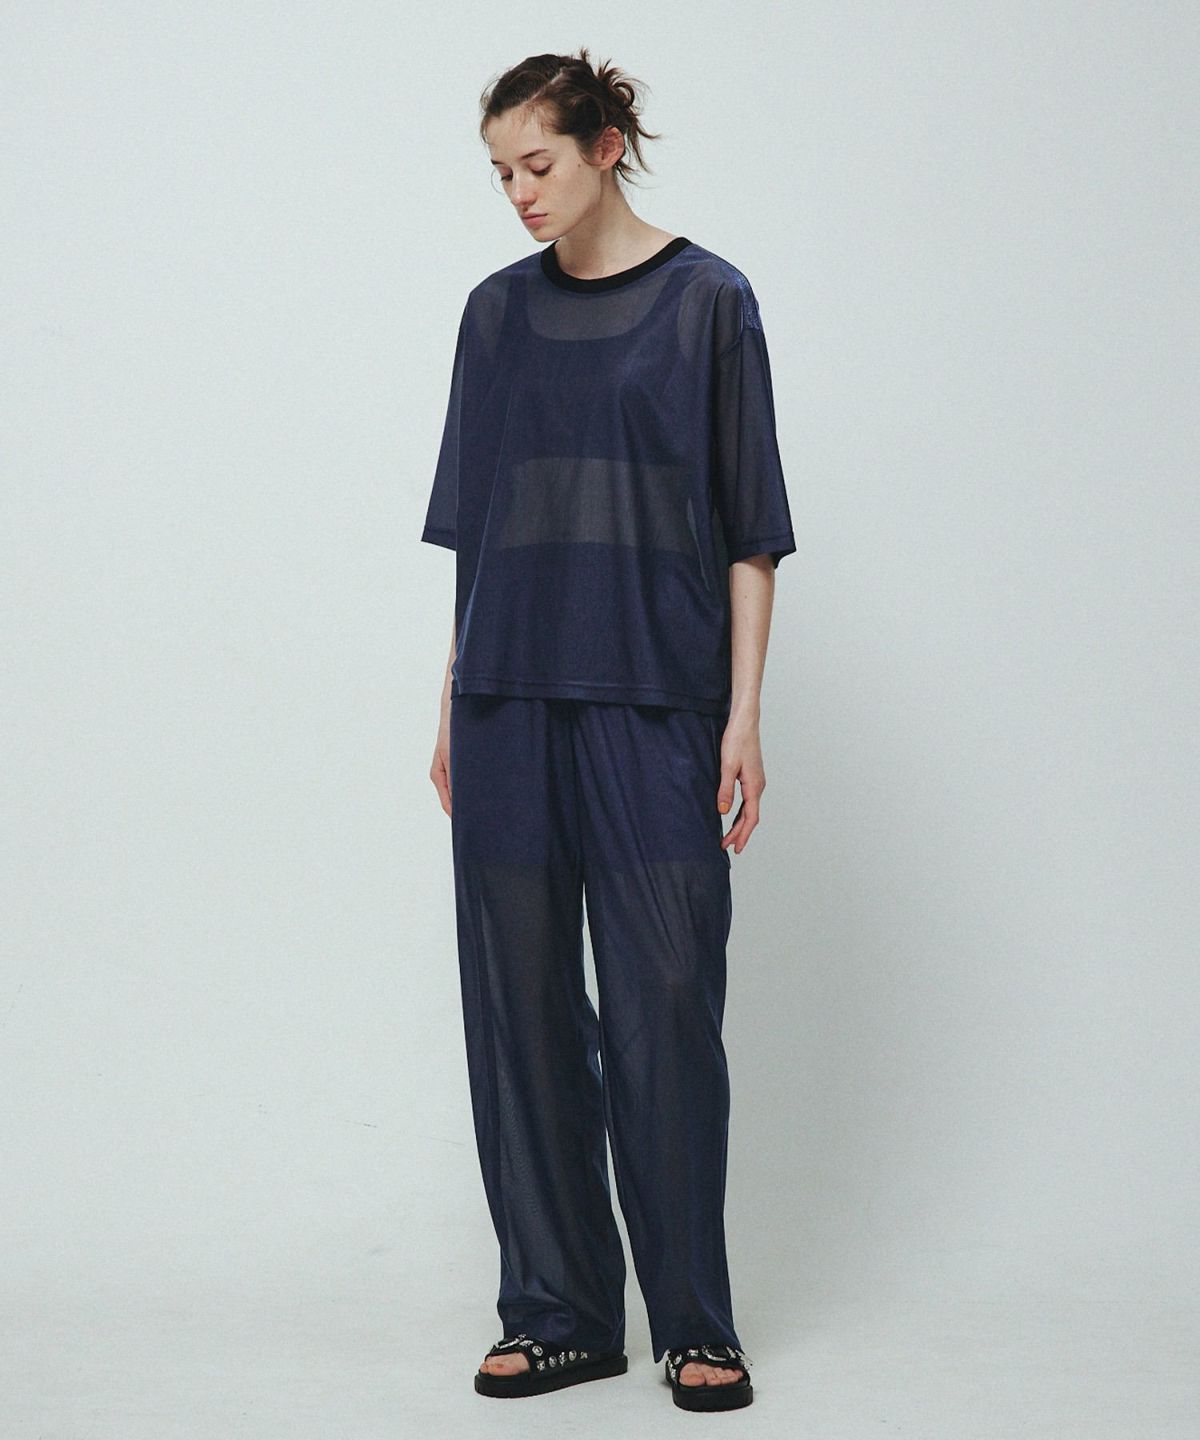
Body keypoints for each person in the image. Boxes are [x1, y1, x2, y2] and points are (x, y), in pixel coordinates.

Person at [422, 48, 795, 1413]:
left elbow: (752, 530)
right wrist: (451, 697)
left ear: (607, 146)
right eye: (501, 173)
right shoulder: (494, 316)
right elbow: (477, 530)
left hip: (656, 706)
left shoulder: (708, 304)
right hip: (509, 703)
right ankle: (560, 1311)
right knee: (519, 1014)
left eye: (539, 163)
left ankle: (695, 1319)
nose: (520, 192)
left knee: (664, 1012)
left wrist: (742, 716)